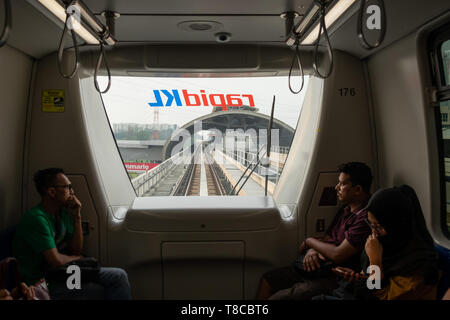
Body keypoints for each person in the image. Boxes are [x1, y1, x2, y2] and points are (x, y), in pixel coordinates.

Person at [256, 162, 373, 300]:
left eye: (342, 184)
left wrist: (309, 241)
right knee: (268, 280)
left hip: (333, 277)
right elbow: (328, 238)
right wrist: (314, 251)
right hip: (319, 267)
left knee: (278, 298)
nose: (336, 187)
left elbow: (337, 254)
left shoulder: (365, 219)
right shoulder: (345, 210)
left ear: (358, 189)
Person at [12, 168, 132, 300]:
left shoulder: (61, 214)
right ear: (51, 191)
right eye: (68, 187)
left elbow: (75, 250)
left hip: (62, 274)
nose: (72, 192)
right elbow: (56, 260)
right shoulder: (36, 219)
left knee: (118, 275)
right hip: (42, 283)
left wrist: (77, 216)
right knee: (98, 290)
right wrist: (78, 259)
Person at [313, 185, 440, 300]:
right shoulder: (392, 249)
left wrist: (375, 261)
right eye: (371, 225)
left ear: (397, 225)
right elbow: (371, 284)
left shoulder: (419, 269)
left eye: (378, 226)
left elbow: (378, 295)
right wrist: (358, 277)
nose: (373, 233)